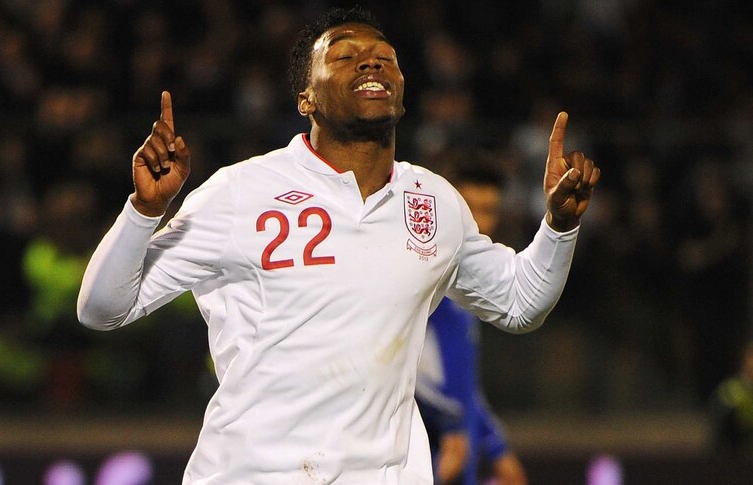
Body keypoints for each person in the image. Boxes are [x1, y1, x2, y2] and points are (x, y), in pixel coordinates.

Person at [77, 6, 600, 484]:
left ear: (401, 86)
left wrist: (559, 226)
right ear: (306, 97)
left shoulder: (434, 202)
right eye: (346, 56)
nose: (370, 66)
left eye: (384, 60)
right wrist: (144, 210)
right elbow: (102, 309)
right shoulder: (241, 192)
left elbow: (519, 303)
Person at [415, 165, 527, 485]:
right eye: (469, 208)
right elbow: (401, 369)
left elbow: (462, 384)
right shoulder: (425, 282)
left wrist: (496, 447)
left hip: (458, 462)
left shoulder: (468, 295)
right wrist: (449, 423)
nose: (479, 221)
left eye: (488, 210)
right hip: (425, 454)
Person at [709, 341, 753, 455]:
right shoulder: (730, 388)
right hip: (737, 455)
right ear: (745, 359)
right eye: (751, 357)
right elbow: (721, 426)